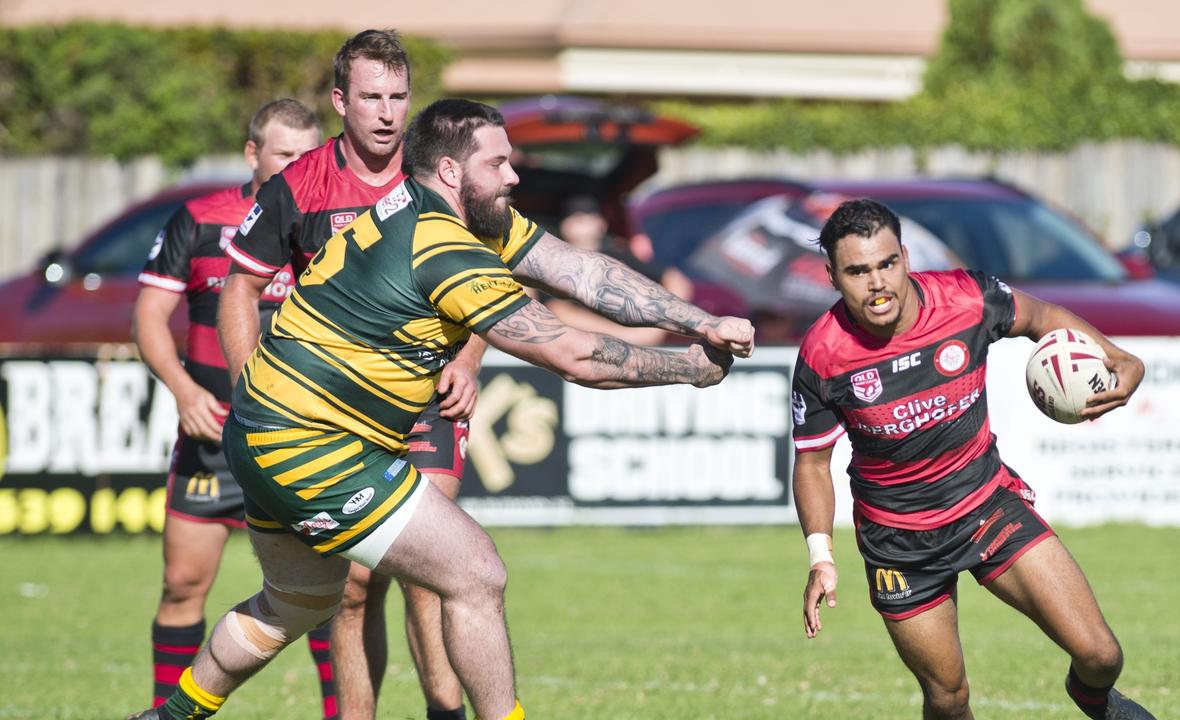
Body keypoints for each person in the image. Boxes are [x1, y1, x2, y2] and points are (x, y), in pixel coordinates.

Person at [128, 97, 754, 720]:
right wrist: (688, 368)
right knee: (475, 573)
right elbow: (571, 355)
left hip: (268, 429)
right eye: (499, 163)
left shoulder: (448, 215)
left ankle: (170, 715)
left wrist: (701, 320)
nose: (514, 176)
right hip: (310, 442)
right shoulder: (442, 247)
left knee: (295, 603)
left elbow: (578, 271)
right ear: (452, 171)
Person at [791, 198, 1156, 720]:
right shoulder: (823, 354)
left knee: (1101, 654)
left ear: (906, 257)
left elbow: (1041, 316)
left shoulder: (965, 299)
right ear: (832, 276)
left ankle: (1092, 698)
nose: (877, 283)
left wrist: (1114, 354)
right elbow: (812, 464)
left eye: (887, 263)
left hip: (987, 507)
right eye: (858, 271)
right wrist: (820, 557)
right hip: (899, 544)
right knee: (948, 697)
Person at [217, 30, 475, 720]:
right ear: (340, 101)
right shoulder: (297, 186)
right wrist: (253, 388)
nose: (388, 113)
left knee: (432, 571)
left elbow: (491, 276)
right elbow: (239, 288)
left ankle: (445, 711)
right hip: (328, 412)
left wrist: (469, 360)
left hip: (423, 402)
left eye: (398, 97)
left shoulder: (443, 176)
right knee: (354, 587)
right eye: (371, 98)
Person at [132, 99, 328, 714]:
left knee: (329, 597)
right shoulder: (198, 219)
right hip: (214, 437)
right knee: (183, 584)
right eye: (285, 155)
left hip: (304, 439)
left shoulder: (331, 221)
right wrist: (185, 391)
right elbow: (148, 318)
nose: (300, 166)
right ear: (253, 154)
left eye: (309, 155)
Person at [542, 194, 693, 345]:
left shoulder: (620, 256)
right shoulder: (553, 262)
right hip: (582, 347)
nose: (581, 220)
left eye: (588, 214)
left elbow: (677, 282)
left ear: (602, 223)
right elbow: (558, 310)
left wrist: (659, 326)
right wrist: (626, 336)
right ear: (563, 225)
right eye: (574, 216)